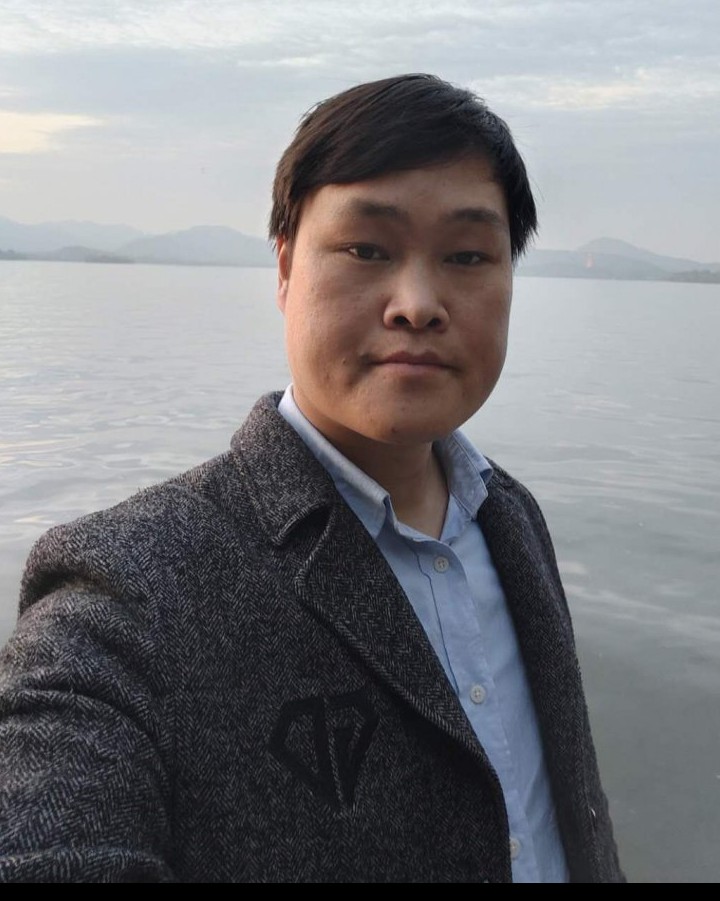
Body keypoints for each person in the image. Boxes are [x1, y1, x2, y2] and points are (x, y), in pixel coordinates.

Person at [0, 73, 625, 883]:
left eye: (468, 256)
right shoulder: (127, 590)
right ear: (286, 267)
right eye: (367, 249)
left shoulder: (511, 517)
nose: (418, 303)